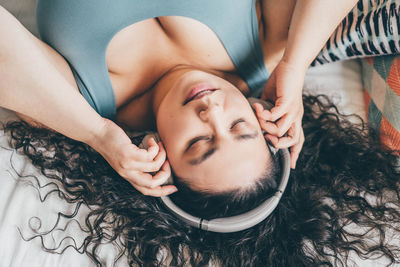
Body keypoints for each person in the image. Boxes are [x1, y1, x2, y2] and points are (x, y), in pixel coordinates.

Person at [0, 0, 365, 197]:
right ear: (261, 117)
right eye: (239, 126)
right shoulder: (270, 45)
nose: (212, 112)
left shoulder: (79, 104)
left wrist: (97, 135)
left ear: (161, 158)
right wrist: (297, 63)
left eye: (199, 142)